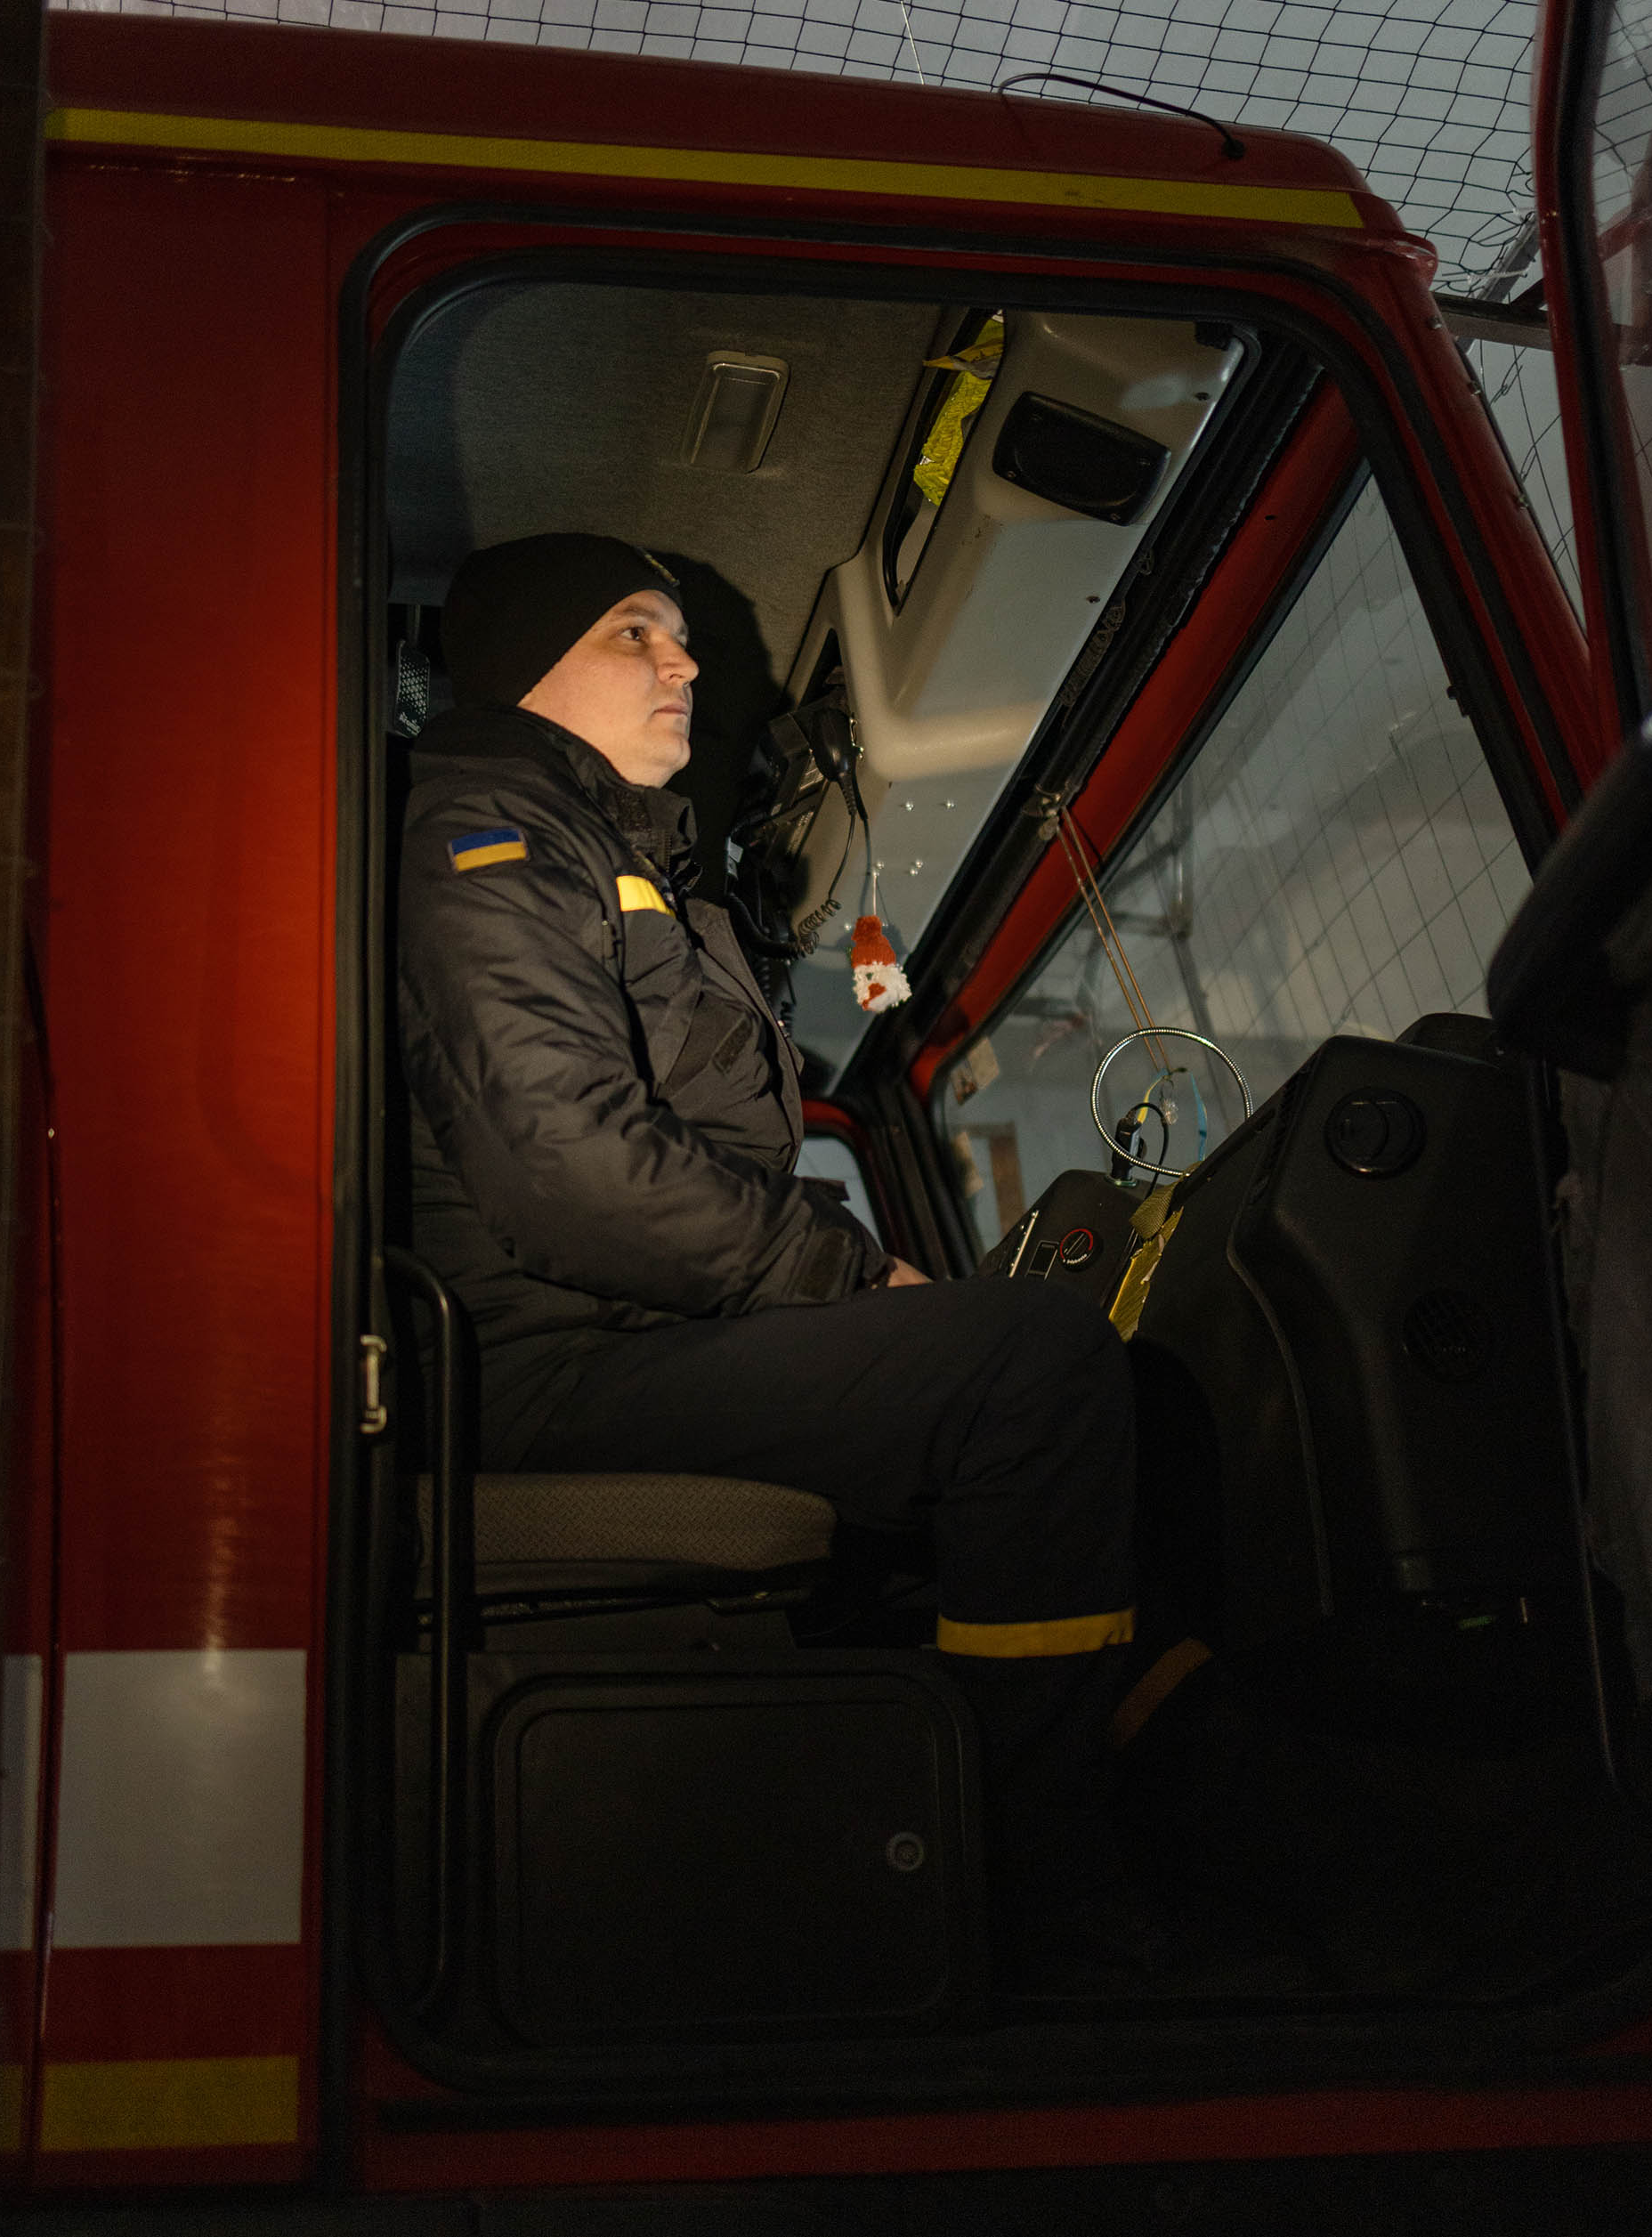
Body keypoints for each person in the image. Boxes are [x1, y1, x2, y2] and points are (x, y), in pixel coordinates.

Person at [398, 531, 1167, 1982]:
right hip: (545, 1364)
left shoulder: (626, 860)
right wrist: (857, 1276)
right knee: (1035, 1366)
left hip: (625, 1338)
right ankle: (1039, 1889)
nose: (683, 662)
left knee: (992, 1388)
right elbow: (567, 1170)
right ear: (526, 668)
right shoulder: (485, 830)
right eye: (637, 631)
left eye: (678, 634)